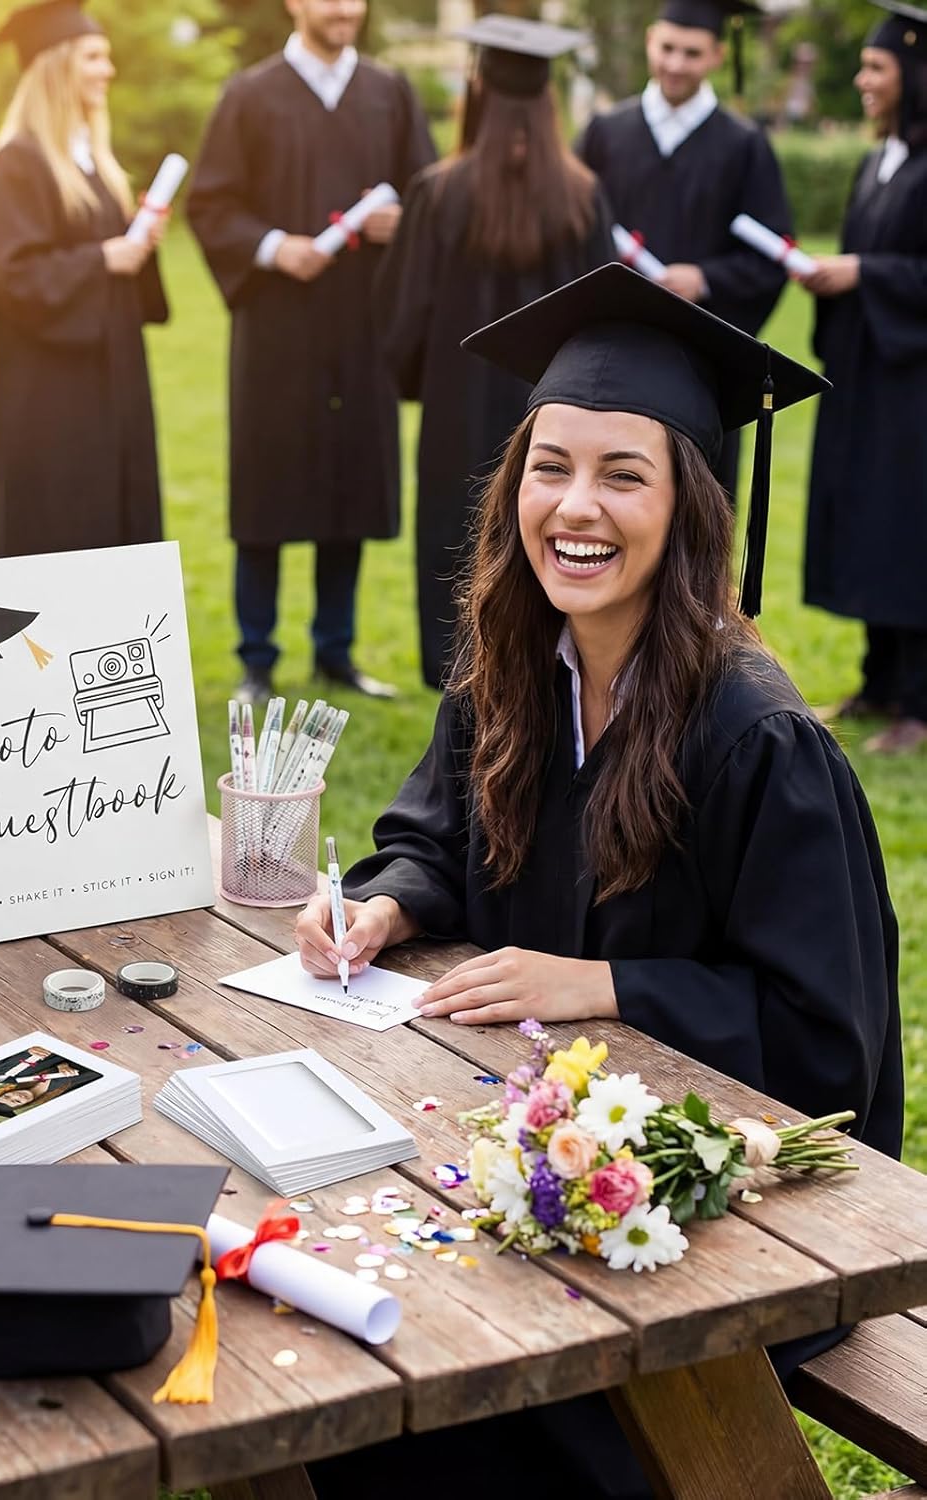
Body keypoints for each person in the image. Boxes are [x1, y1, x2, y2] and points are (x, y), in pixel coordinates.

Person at [296, 264, 902, 1499]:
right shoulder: (515, 670)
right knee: (359, 1374)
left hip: (703, 1209)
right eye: (549, 466)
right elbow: (435, 835)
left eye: (623, 473)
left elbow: (823, 1046)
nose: (576, 506)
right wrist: (388, 903)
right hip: (521, 1149)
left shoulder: (757, 742)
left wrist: (607, 984)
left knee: (445, 1403)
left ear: (690, 506)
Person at [187, 0, 435, 704]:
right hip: (277, 329)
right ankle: (256, 659)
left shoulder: (390, 94)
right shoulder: (249, 95)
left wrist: (404, 220)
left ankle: (336, 651)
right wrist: (271, 247)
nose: (344, 8)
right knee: (268, 490)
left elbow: (432, 194)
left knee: (347, 484)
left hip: (363, 327)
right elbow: (210, 204)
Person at [375, 14, 613, 689]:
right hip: (556, 416)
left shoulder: (439, 193)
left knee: (460, 536)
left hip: (457, 415)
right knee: (551, 533)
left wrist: (431, 382)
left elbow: (403, 319)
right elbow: (604, 314)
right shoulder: (582, 197)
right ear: (549, 106)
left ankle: (460, 680)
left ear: (477, 97)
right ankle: (554, 670)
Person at [576, 0, 792, 497]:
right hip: (613, 354)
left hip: (700, 365)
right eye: (667, 48)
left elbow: (769, 260)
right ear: (650, 40)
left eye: (691, 53)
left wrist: (706, 278)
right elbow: (571, 237)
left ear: (717, 54)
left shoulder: (744, 146)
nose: (675, 63)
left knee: (697, 509)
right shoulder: (605, 134)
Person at [0, 0, 167, 559]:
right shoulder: (18, 164)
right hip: (51, 400)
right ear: (56, 66)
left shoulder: (93, 163)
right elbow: (12, 277)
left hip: (112, 386)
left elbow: (114, 267)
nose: (107, 70)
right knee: (62, 534)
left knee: (116, 532)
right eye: (93, 57)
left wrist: (139, 240)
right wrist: (103, 259)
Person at [801, 0, 927, 755]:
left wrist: (863, 272)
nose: (863, 80)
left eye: (876, 67)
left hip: (917, 386)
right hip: (872, 374)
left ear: (914, 76)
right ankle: (879, 682)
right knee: (874, 527)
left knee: (912, 534)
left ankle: (920, 701)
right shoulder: (880, 160)